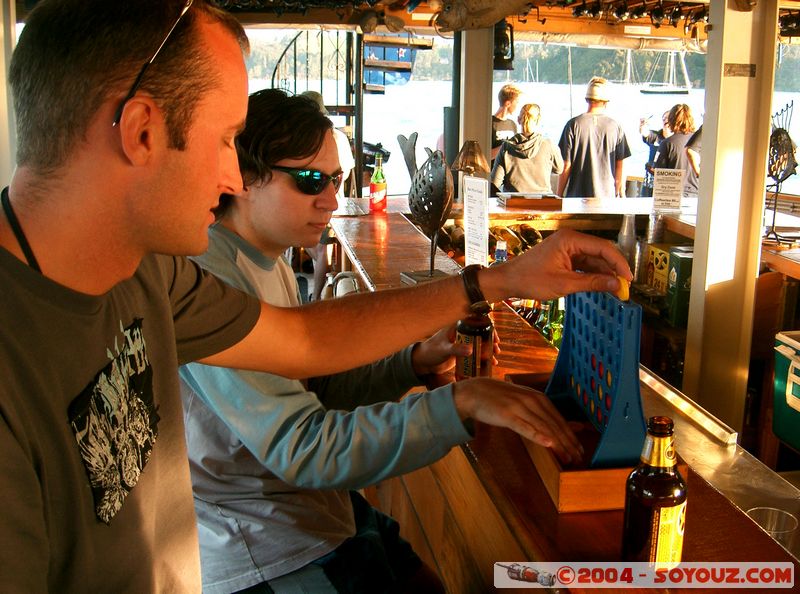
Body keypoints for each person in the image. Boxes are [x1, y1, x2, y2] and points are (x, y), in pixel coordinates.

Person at [0, 1, 630, 591]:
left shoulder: (148, 273)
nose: (231, 176)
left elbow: (301, 341)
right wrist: (461, 402)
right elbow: (302, 439)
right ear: (141, 132)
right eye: (225, 139)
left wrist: (495, 281)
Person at [181, 88, 506, 593]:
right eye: (311, 180)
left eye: (336, 179)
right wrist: (460, 405)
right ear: (244, 178)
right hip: (262, 543)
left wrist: (412, 363)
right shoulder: (212, 279)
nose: (331, 199)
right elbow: (303, 447)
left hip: (315, 510)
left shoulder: (271, 259)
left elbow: (313, 391)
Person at [299, 90, 356, 300]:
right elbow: (347, 173)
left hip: (336, 206)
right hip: (341, 203)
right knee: (318, 249)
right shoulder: (338, 136)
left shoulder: (330, 137)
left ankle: (316, 298)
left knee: (321, 249)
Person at [557, 76, 631, 198]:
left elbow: (566, 165)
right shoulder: (615, 126)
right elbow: (620, 165)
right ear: (605, 101)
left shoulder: (573, 125)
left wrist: (559, 195)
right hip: (606, 200)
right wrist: (620, 193)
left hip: (577, 199)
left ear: (587, 99)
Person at [490, 103, 563, 195]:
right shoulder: (549, 145)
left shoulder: (507, 147)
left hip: (514, 205)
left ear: (518, 120)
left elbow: (495, 182)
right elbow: (559, 169)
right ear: (538, 120)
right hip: (543, 203)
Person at [654, 104, 699, 198]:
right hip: (696, 194)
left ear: (672, 120)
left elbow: (659, 173)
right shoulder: (700, 141)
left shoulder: (667, 143)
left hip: (673, 197)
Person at [639, 111, 671, 196]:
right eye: (664, 119)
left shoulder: (676, 141)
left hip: (667, 183)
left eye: (668, 118)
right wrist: (643, 124)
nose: (666, 121)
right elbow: (645, 133)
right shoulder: (656, 136)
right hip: (651, 182)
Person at [491, 83, 523, 160]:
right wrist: (506, 146)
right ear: (508, 103)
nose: (517, 105)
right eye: (517, 102)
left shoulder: (512, 124)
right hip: (494, 170)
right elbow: (487, 155)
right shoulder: (490, 123)